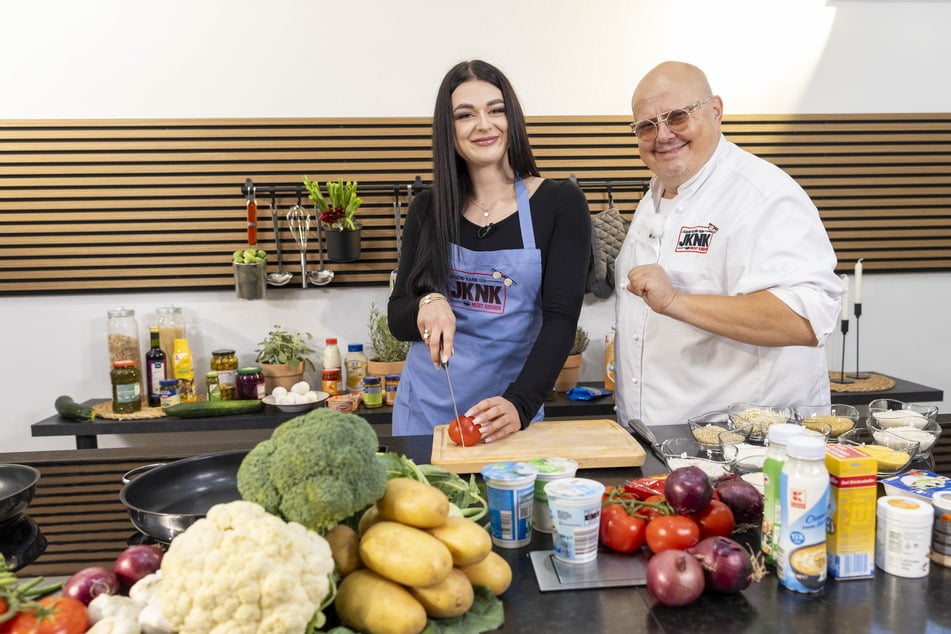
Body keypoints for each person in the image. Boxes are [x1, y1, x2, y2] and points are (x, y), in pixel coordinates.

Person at [614, 61, 845, 427]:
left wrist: (677, 301)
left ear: (716, 110)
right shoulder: (655, 196)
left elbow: (806, 319)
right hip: (657, 440)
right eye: (646, 126)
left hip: (740, 450)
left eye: (677, 116)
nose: (662, 135)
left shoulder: (763, 194)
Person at [388, 59, 591, 441]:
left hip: (509, 416)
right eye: (466, 115)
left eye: (496, 110)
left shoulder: (559, 202)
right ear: (448, 131)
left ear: (512, 118)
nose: (484, 124)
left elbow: (561, 320)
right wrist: (425, 301)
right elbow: (397, 318)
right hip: (425, 415)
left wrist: (520, 403)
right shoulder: (427, 209)